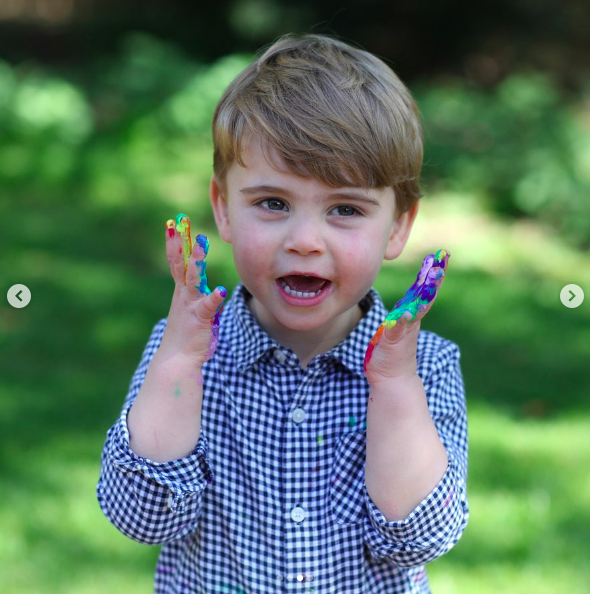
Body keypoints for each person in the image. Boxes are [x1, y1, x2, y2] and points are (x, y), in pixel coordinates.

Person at [97, 32, 469, 594]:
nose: (304, 241)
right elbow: (142, 518)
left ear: (397, 226)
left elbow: (419, 538)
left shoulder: (429, 367)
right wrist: (176, 362)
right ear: (223, 209)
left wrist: (393, 384)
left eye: (345, 209)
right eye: (273, 203)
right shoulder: (187, 351)